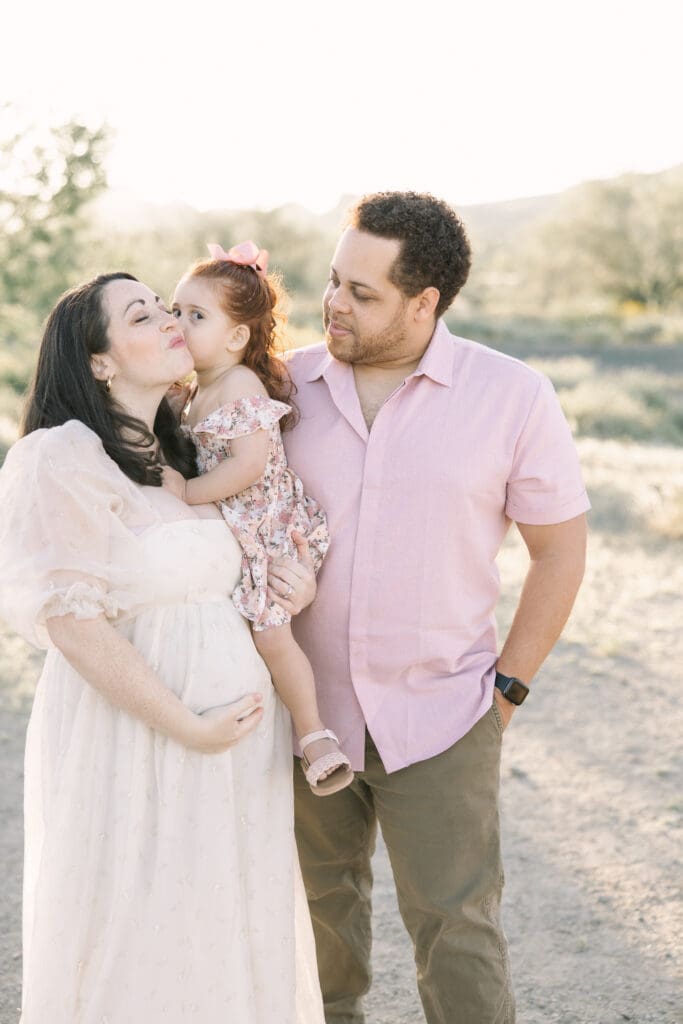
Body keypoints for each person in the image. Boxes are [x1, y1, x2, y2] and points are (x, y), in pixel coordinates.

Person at [281, 192, 590, 1024]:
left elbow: (559, 549)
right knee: (313, 925)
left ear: (425, 303)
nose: (334, 304)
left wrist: (508, 692)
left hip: (445, 714)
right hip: (300, 713)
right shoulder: (280, 387)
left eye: (363, 292)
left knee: (456, 932)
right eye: (333, 281)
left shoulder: (511, 395)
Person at [0, 273, 324, 1023]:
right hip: (139, 739)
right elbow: (73, 623)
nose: (171, 320)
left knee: (224, 924)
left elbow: (226, 582)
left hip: (237, 745)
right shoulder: (63, 456)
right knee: (141, 927)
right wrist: (185, 725)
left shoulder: (186, 454)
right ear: (99, 362)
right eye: (143, 315)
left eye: (171, 307)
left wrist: (292, 586)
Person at [167, 241, 353, 796]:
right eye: (174, 310)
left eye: (196, 316)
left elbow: (249, 467)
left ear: (236, 336)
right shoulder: (193, 389)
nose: (177, 323)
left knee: (271, 636)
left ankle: (315, 734)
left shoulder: (239, 386)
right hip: (239, 528)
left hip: (271, 530)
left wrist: (188, 493)